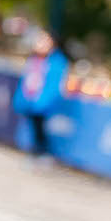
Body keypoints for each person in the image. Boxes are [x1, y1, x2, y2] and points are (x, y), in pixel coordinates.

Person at [15, 28, 70, 158]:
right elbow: (27, 80)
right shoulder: (34, 59)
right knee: (34, 127)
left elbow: (54, 85)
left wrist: (42, 102)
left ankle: (44, 153)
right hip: (30, 99)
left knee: (42, 129)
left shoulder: (57, 62)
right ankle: (37, 152)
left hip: (44, 103)